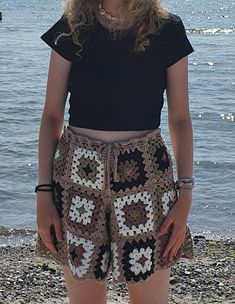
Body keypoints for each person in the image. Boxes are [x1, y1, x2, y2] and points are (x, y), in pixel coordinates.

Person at [34, 0, 195, 303]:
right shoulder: (71, 28)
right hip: (77, 182)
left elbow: (181, 119)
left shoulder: (168, 29)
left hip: (148, 181)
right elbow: (52, 117)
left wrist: (185, 194)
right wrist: (43, 193)